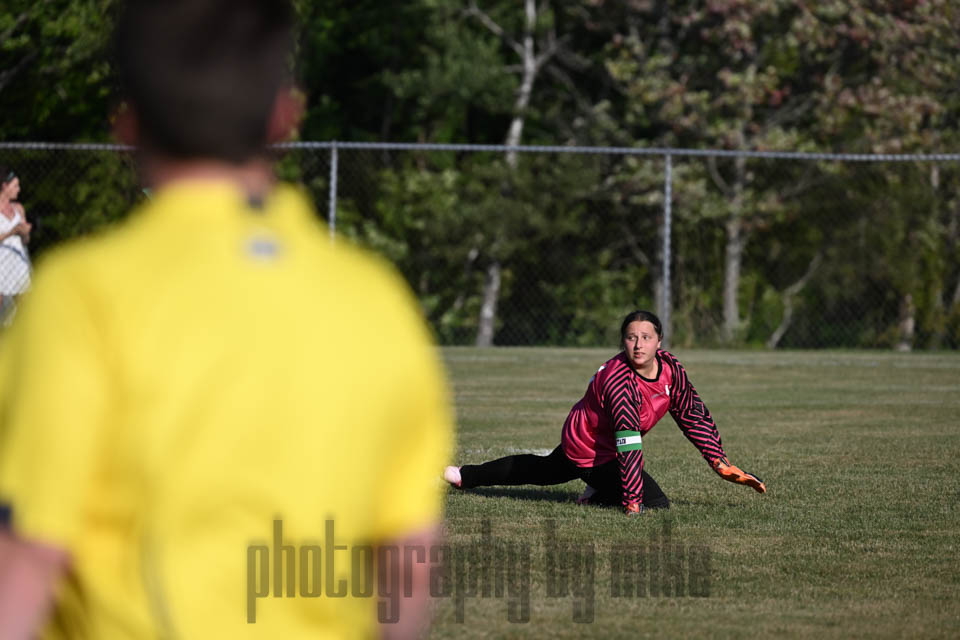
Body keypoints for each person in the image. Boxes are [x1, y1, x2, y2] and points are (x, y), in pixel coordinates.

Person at [0, 1, 453, 638]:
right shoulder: (376, 301)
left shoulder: (79, 299)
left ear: (128, 125)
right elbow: (409, 555)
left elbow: (28, 552)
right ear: (284, 117)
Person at [444, 310, 766, 514]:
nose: (638, 345)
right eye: (631, 338)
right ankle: (595, 492)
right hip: (590, 448)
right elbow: (628, 444)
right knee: (656, 503)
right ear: (623, 342)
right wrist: (632, 502)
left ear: (659, 342)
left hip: (598, 444)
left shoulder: (671, 369)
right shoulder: (619, 380)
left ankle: (464, 476)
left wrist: (719, 461)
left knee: (542, 471)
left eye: (646, 338)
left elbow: (691, 413)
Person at [0, 168, 32, 320]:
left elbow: (26, 241)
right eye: (15, 186)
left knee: (25, 313)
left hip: (19, 264)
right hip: (1, 265)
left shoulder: (18, 208)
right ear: (4, 186)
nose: (19, 190)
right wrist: (12, 232)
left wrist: (24, 232)